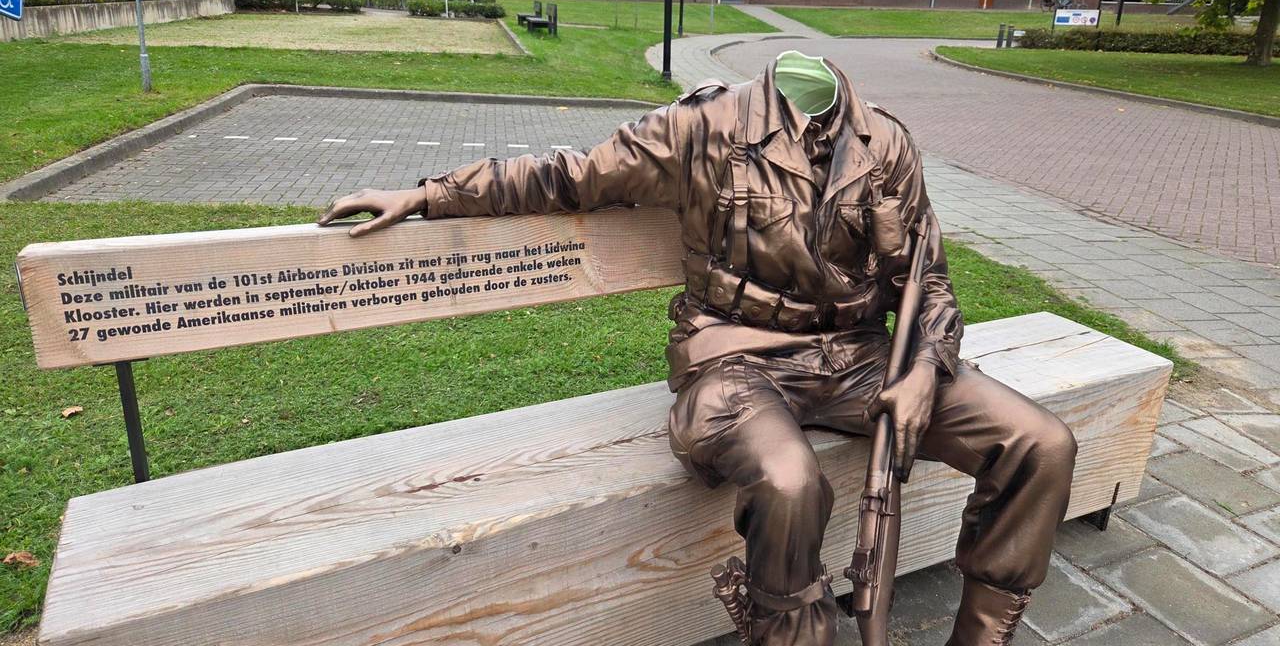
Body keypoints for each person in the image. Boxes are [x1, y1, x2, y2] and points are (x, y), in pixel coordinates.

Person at [317, 52, 1077, 646]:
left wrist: (921, 372)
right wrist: (427, 192)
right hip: (734, 360)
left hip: (858, 357)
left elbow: (928, 279)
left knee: (1041, 444)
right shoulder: (704, 128)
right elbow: (569, 176)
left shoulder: (887, 143)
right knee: (790, 482)